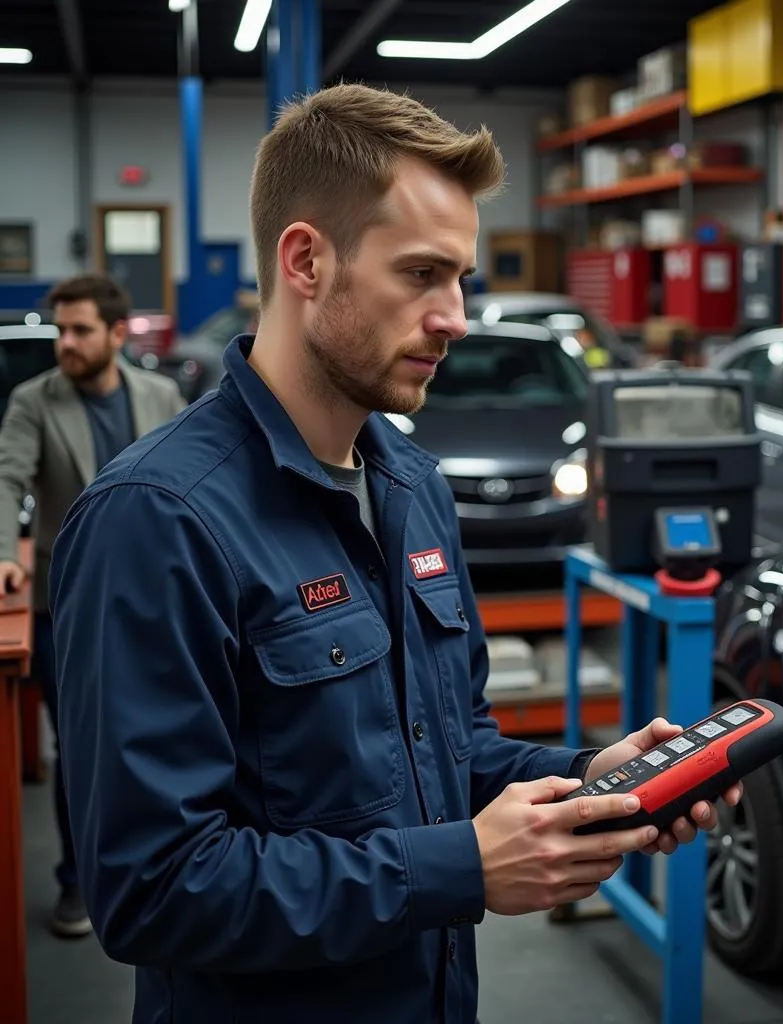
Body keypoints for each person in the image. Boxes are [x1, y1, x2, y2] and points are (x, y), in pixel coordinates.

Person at [49, 84, 742, 1022]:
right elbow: (154, 888)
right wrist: (463, 866)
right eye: (421, 275)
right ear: (305, 260)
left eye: (461, 279)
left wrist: (587, 781)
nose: (455, 316)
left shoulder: (413, 486)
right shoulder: (157, 520)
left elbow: (445, 751)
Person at [0, 272, 185, 938]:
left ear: (115, 334)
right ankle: (78, 883)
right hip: (64, 601)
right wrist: (2, 551)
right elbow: (6, 475)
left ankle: (169, 865)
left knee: (167, 735)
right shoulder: (33, 402)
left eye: (80, 331)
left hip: (155, 599)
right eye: (61, 330)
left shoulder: (161, 396)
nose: (66, 344)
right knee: (78, 744)